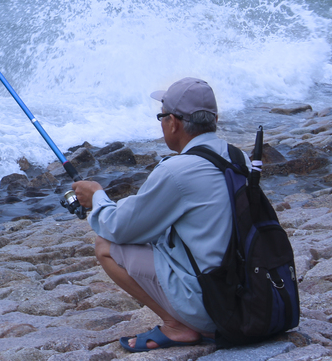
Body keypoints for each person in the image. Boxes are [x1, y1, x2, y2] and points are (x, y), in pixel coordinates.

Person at [71, 77, 250, 353]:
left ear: (174, 123)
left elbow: (118, 228)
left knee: (104, 246)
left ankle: (177, 325)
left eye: (162, 116)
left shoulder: (177, 171)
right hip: (249, 294)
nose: (162, 123)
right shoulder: (239, 158)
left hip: (214, 304)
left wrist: (96, 197)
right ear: (214, 119)